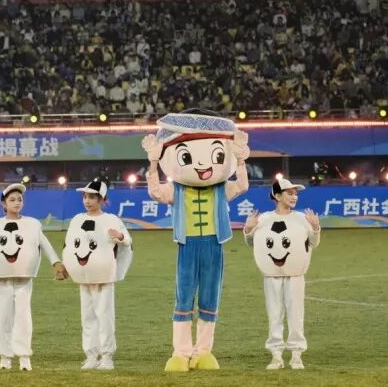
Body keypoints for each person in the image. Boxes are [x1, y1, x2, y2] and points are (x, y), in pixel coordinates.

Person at [141, 112, 250, 372]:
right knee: (184, 297)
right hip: (187, 245)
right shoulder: (177, 189)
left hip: (214, 244)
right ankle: (181, 352)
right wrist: (153, 164)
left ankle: (203, 351)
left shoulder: (220, 188)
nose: (202, 165)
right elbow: (156, 192)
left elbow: (242, 186)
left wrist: (240, 160)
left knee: (210, 297)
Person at [0, 183, 66, 371]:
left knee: (23, 317)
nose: (17, 202)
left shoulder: (32, 224)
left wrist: (56, 263)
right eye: (12, 200)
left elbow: (44, 243)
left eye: (19, 199)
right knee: (2, 318)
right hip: (2, 280)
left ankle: (24, 356)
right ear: (4, 204)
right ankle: (5, 357)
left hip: (24, 279)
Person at [243, 178, 322, 370]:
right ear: (277, 196)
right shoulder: (264, 219)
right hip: (271, 275)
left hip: (296, 274)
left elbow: (314, 242)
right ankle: (276, 355)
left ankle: (296, 354)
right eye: (290, 193)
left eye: (296, 194)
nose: (294, 197)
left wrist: (315, 227)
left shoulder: (302, 218)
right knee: (274, 314)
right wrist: (249, 228)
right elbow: (252, 243)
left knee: (296, 313)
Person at [61, 179, 132, 371]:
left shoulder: (111, 219)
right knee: (88, 316)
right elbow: (69, 245)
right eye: (85, 196)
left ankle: (107, 356)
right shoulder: (77, 220)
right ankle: (91, 355)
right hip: (84, 276)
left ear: (102, 199)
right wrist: (67, 266)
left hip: (104, 276)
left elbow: (127, 240)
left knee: (105, 315)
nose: (87, 201)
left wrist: (120, 236)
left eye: (92, 197)